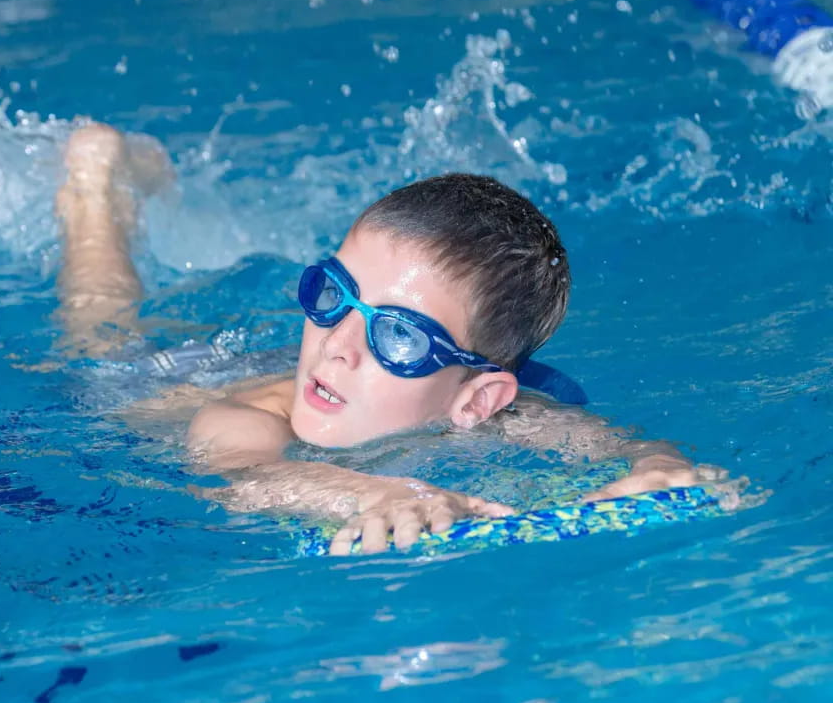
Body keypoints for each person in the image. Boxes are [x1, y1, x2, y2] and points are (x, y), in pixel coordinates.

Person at [56, 123, 726, 556]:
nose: (336, 345)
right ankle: (92, 195)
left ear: (477, 400)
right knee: (102, 329)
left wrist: (656, 467)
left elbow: (623, 448)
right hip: (159, 381)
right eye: (332, 296)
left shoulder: (508, 418)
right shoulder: (240, 415)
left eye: (397, 336)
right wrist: (371, 493)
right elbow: (243, 474)